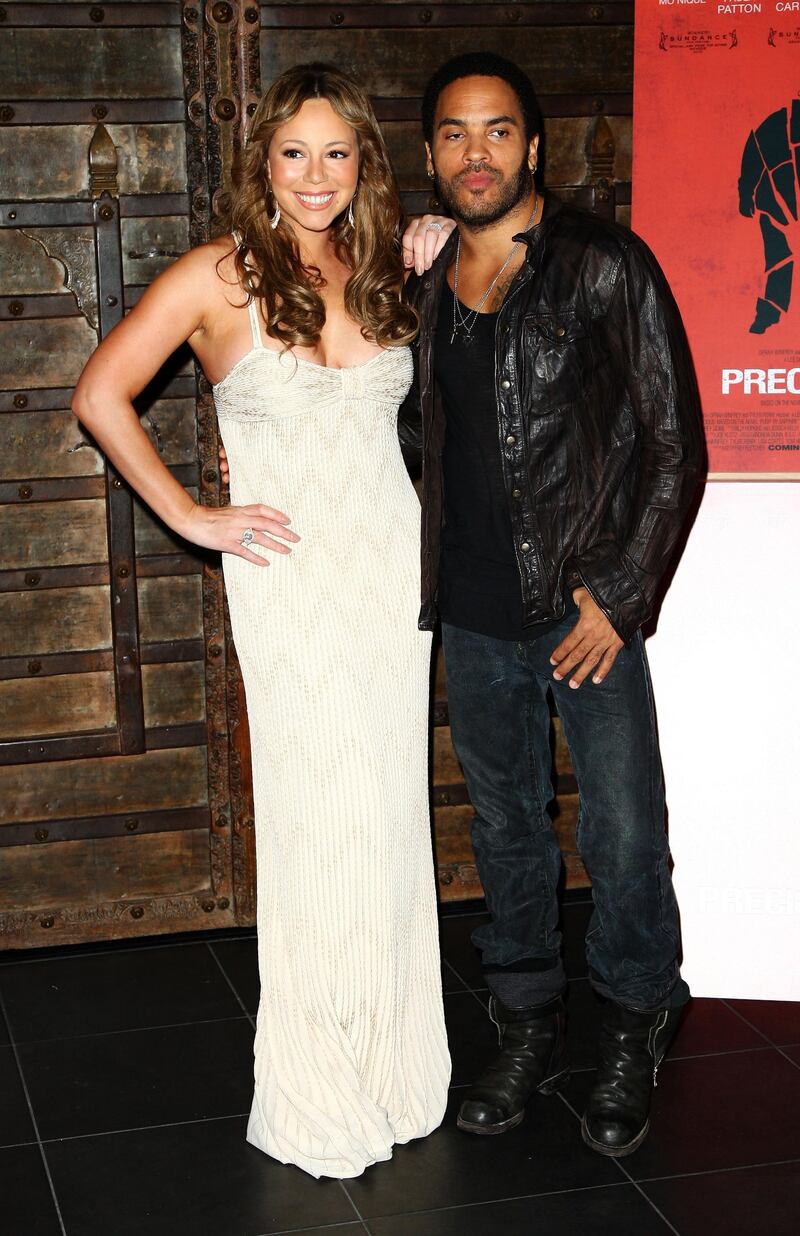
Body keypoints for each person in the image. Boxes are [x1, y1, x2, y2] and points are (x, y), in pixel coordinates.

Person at [71, 63, 455, 1179]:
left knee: (384, 811)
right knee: (316, 816)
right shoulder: (215, 275)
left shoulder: (385, 265)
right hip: (288, 580)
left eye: (338, 153)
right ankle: (319, 1083)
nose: (316, 176)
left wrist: (437, 230)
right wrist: (193, 515)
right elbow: (100, 393)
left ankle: (390, 1064)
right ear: (263, 163)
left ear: (363, 165)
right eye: (295, 152)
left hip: (390, 570)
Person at [398, 52, 704, 1157]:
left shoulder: (603, 263)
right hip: (473, 614)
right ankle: (524, 1020)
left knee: (622, 835)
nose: (473, 152)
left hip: (585, 617)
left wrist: (616, 597)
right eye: (451, 133)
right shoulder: (427, 278)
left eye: (494, 131)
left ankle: (632, 1019)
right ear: (429, 154)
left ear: (531, 145)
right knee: (506, 832)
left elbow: (675, 446)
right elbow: (415, 433)